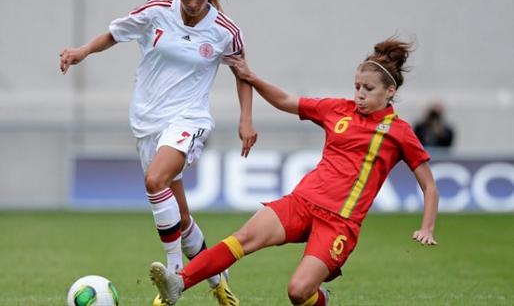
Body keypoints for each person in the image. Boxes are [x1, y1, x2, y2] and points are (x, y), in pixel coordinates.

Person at [149, 38, 440, 306]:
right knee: (244, 237)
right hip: (302, 202)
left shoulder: (399, 132)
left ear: (390, 91)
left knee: (298, 292)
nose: (360, 95)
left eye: (369, 89)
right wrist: (251, 77)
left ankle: (321, 299)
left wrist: (426, 227)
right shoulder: (338, 109)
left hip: (339, 222)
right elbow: (286, 101)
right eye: (357, 87)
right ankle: (179, 282)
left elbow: (428, 185)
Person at [59, 0, 257, 305]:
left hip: (188, 119)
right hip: (147, 122)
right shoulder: (155, 13)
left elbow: (242, 73)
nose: (192, 3)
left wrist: (246, 120)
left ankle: (174, 277)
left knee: (154, 181)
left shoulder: (225, 31)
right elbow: (115, 33)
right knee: (180, 219)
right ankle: (218, 283)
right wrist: (82, 51)